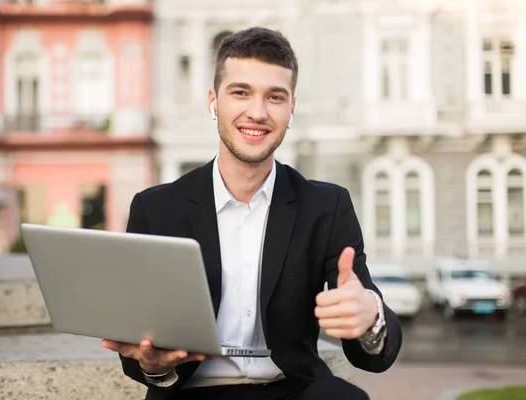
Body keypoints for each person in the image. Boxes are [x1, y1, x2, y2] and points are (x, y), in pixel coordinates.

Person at [101, 27, 402, 400]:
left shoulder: (326, 207)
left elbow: (371, 355)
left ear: (291, 107)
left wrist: (369, 315)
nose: (257, 113)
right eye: (240, 92)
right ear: (214, 101)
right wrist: (154, 366)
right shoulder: (156, 209)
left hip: (289, 390)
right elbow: (139, 354)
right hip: (190, 391)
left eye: (275, 97)